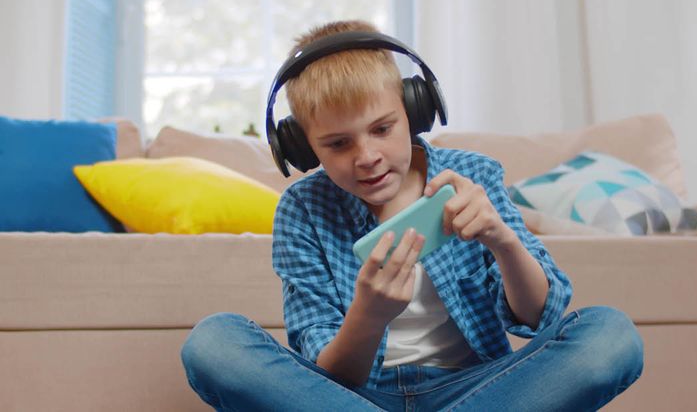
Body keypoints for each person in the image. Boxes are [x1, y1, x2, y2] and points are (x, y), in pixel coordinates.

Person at [181, 20, 643, 411]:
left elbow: (539, 318)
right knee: (214, 343)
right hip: (356, 397)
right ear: (302, 148)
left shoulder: (471, 175)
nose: (367, 156)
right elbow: (330, 374)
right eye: (338, 144)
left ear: (413, 111)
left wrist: (503, 241)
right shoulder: (303, 210)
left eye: (382, 129)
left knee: (609, 335)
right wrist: (369, 314)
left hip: (480, 389)